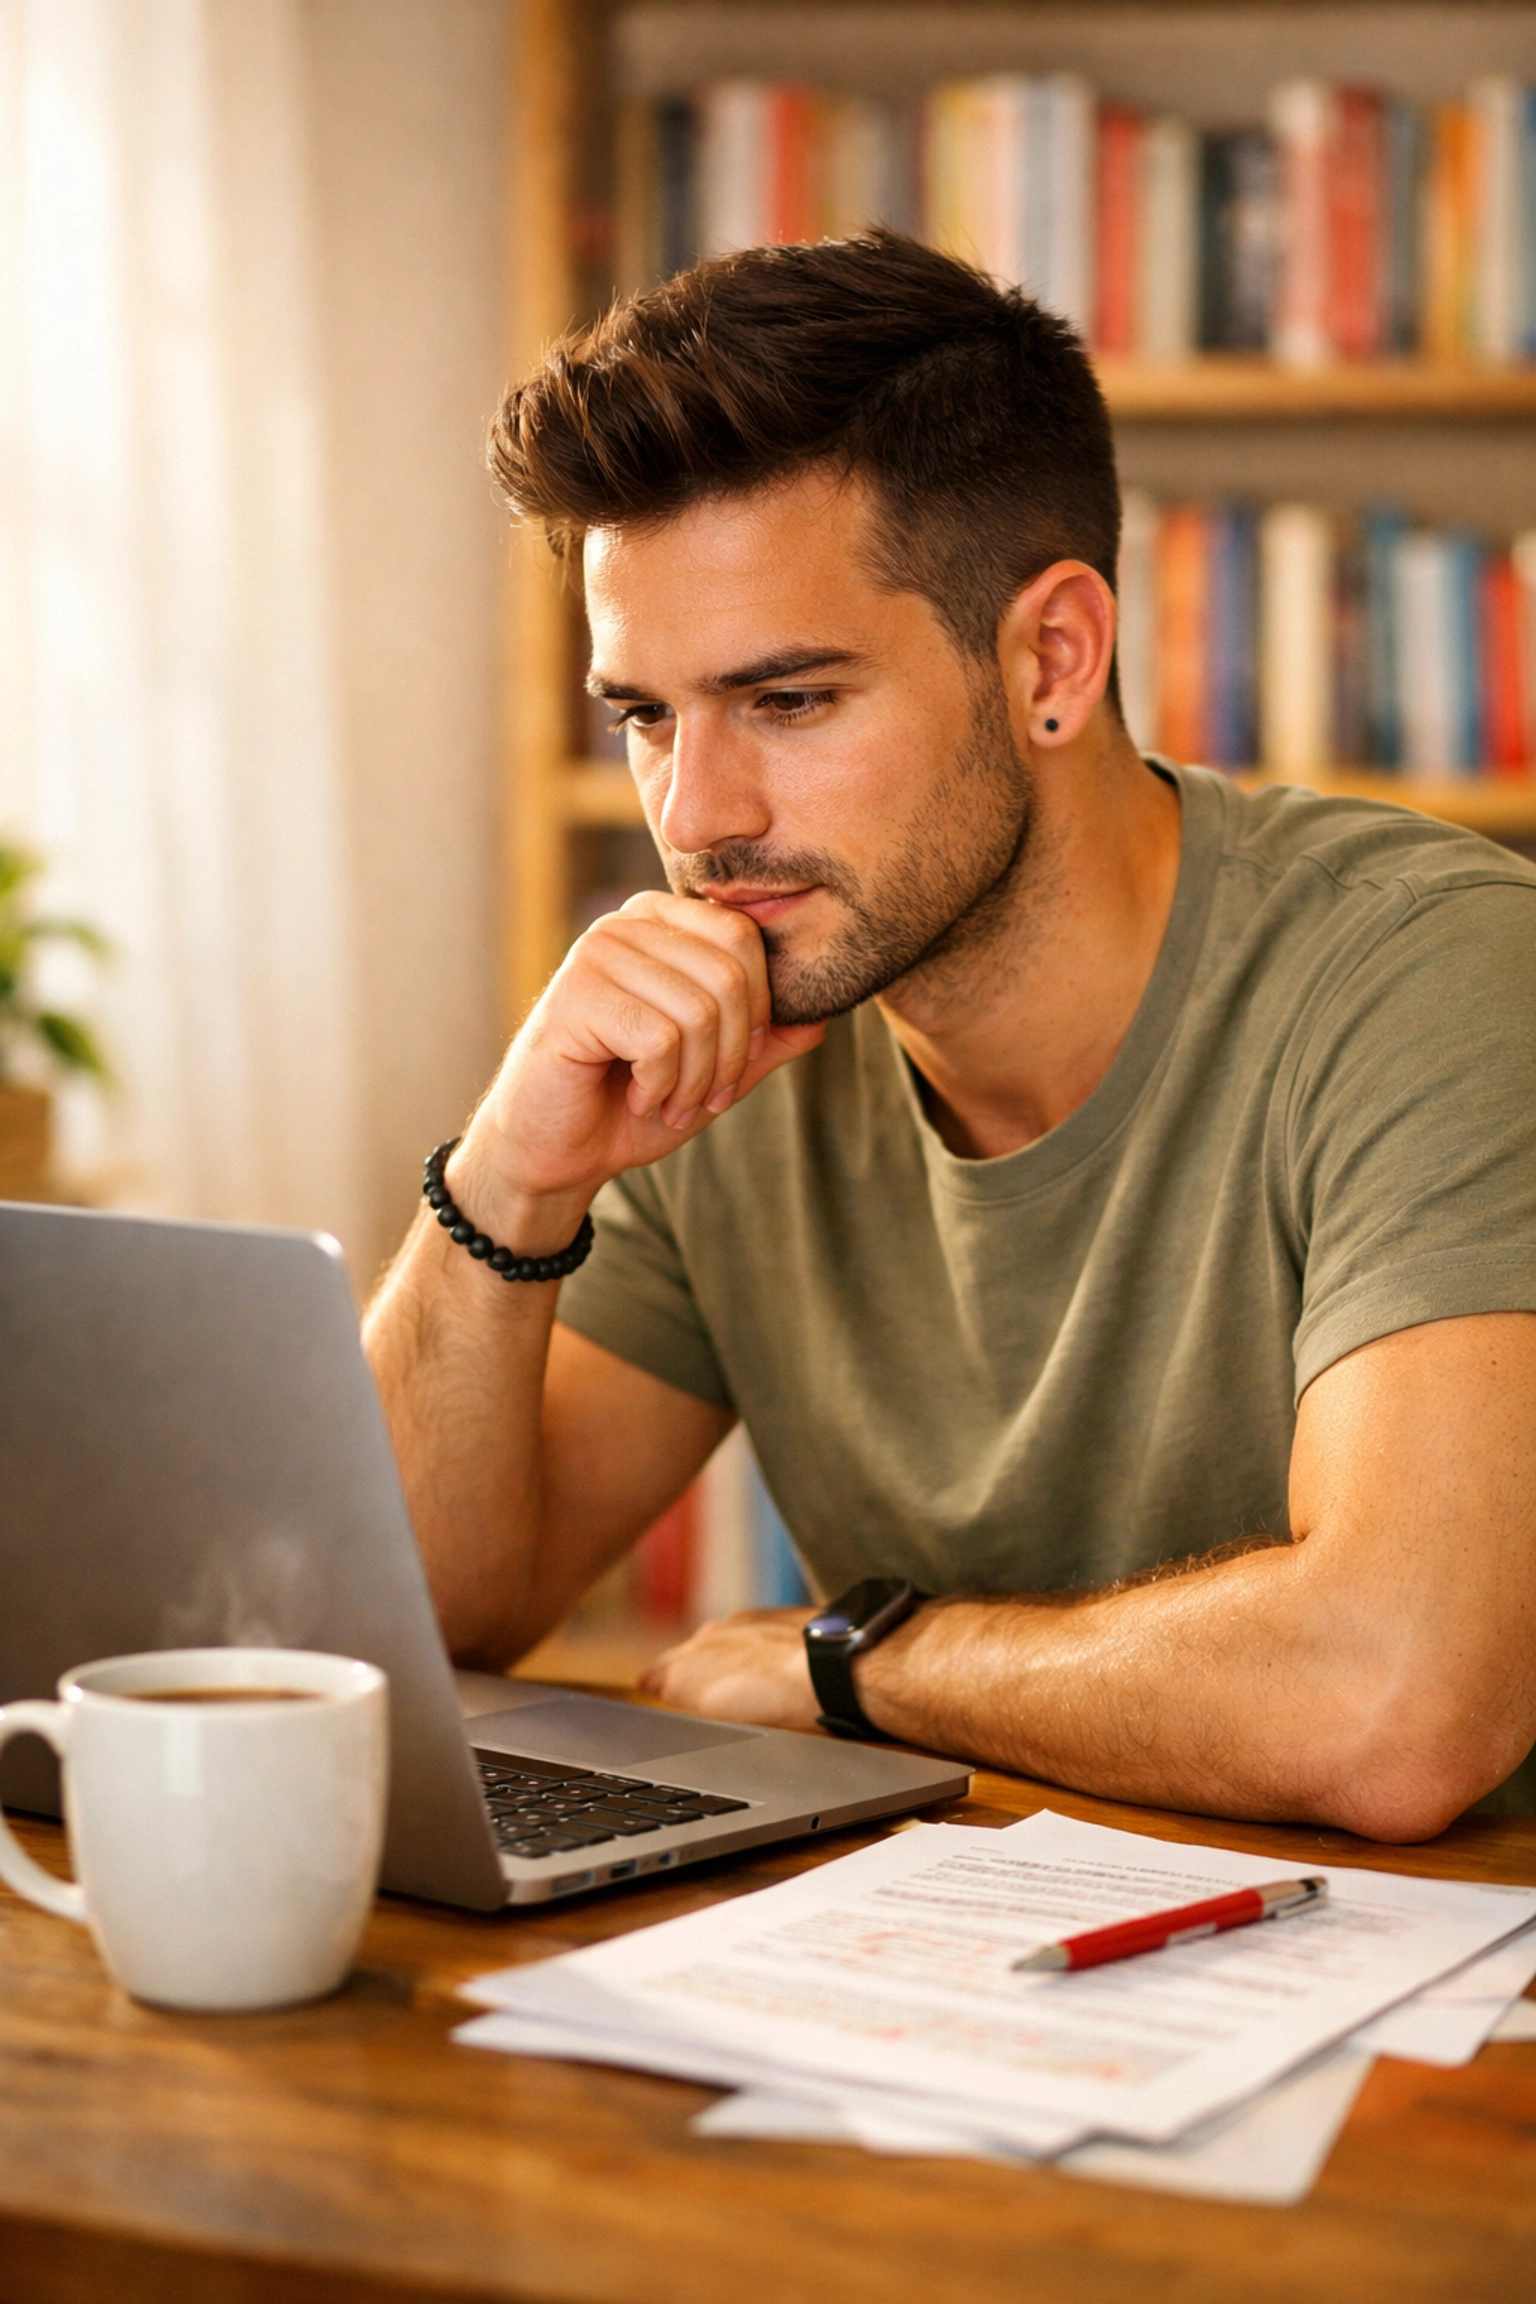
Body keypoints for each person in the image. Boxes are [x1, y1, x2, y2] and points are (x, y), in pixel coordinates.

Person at [365, 231, 1536, 1839]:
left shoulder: (1431, 973)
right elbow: (411, 1626)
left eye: (789, 702)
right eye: (645, 716)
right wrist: (504, 1184)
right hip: (965, 1978)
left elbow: (1399, 1706)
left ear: (1053, 658)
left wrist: (863, 1666)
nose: (696, 818)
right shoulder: (743, 1019)